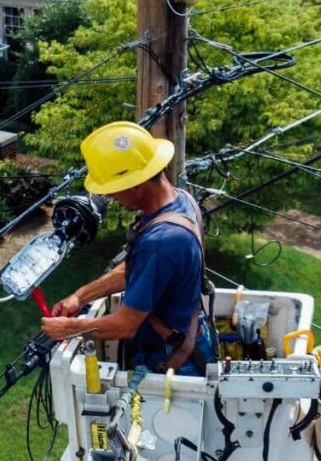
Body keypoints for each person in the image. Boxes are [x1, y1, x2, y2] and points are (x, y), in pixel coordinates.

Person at [41, 121, 212, 376]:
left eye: (113, 190)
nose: (112, 198)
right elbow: (135, 271)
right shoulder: (180, 201)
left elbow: (124, 325)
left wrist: (69, 328)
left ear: (136, 184)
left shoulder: (161, 242)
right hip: (185, 340)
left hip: (171, 362)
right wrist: (81, 296)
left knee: (146, 417)